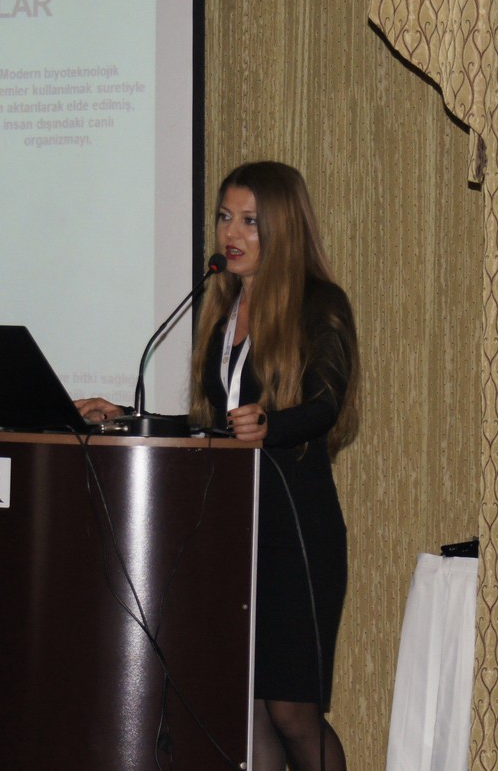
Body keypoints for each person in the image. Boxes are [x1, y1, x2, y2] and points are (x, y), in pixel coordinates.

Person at [75, 160, 360, 771]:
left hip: (295, 535)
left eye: (250, 221)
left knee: (292, 711)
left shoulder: (320, 304)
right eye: (225, 217)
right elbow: (212, 425)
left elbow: (326, 403)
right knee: (246, 710)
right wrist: (126, 418)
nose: (232, 233)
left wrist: (272, 425)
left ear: (283, 227)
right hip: (231, 536)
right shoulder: (222, 310)